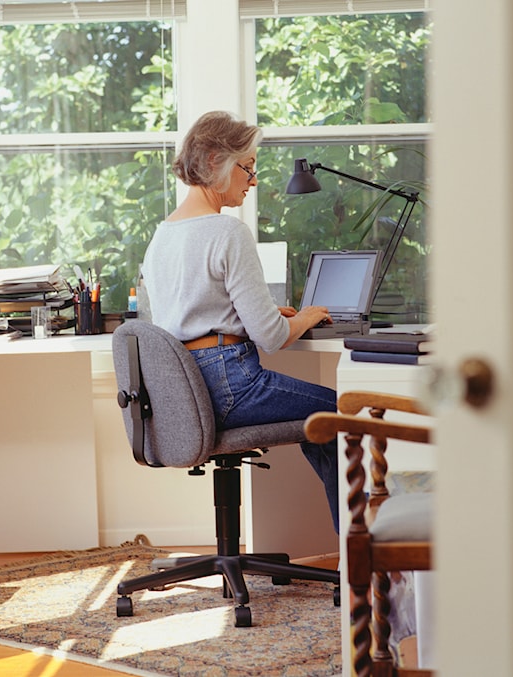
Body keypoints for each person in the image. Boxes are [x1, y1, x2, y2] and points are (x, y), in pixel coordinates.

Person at [141, 110, 340, 533]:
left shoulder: (163, 236)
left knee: (324, 420)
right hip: (230, 384)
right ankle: (359, 553)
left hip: (184, 389)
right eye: (248, 168)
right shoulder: (227, 232)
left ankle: (353, 548)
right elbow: (271, 338)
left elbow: (195, 315)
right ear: (216, 161)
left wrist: (268, 313)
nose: (253, 181)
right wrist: (304, 318)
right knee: (341, 414)